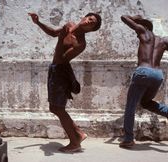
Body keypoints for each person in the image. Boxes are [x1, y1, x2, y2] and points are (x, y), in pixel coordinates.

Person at [28, 12, 101, 152]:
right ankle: (78, 134)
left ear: (90, 30)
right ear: (83, 17)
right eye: (89, 19)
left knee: (57, 108)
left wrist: (66, 37)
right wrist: (38, 22)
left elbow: (63, 57)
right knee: (54, 108)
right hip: (54, 68)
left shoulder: (80, 43)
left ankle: (75, 141)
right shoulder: (68, 25)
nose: (88, 22)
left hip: (61, 72)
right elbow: (53, 33)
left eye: (91, 24)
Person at [119, 15, 168, 148]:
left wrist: (136, 19)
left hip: (143, 71)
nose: (137, 35)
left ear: (145, 27)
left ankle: (128, 139)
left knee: (130, 106)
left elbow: (124, 17)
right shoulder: (163, 41)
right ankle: (167, 111)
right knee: (145, 102)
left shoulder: (144, 32)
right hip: (157, 75)